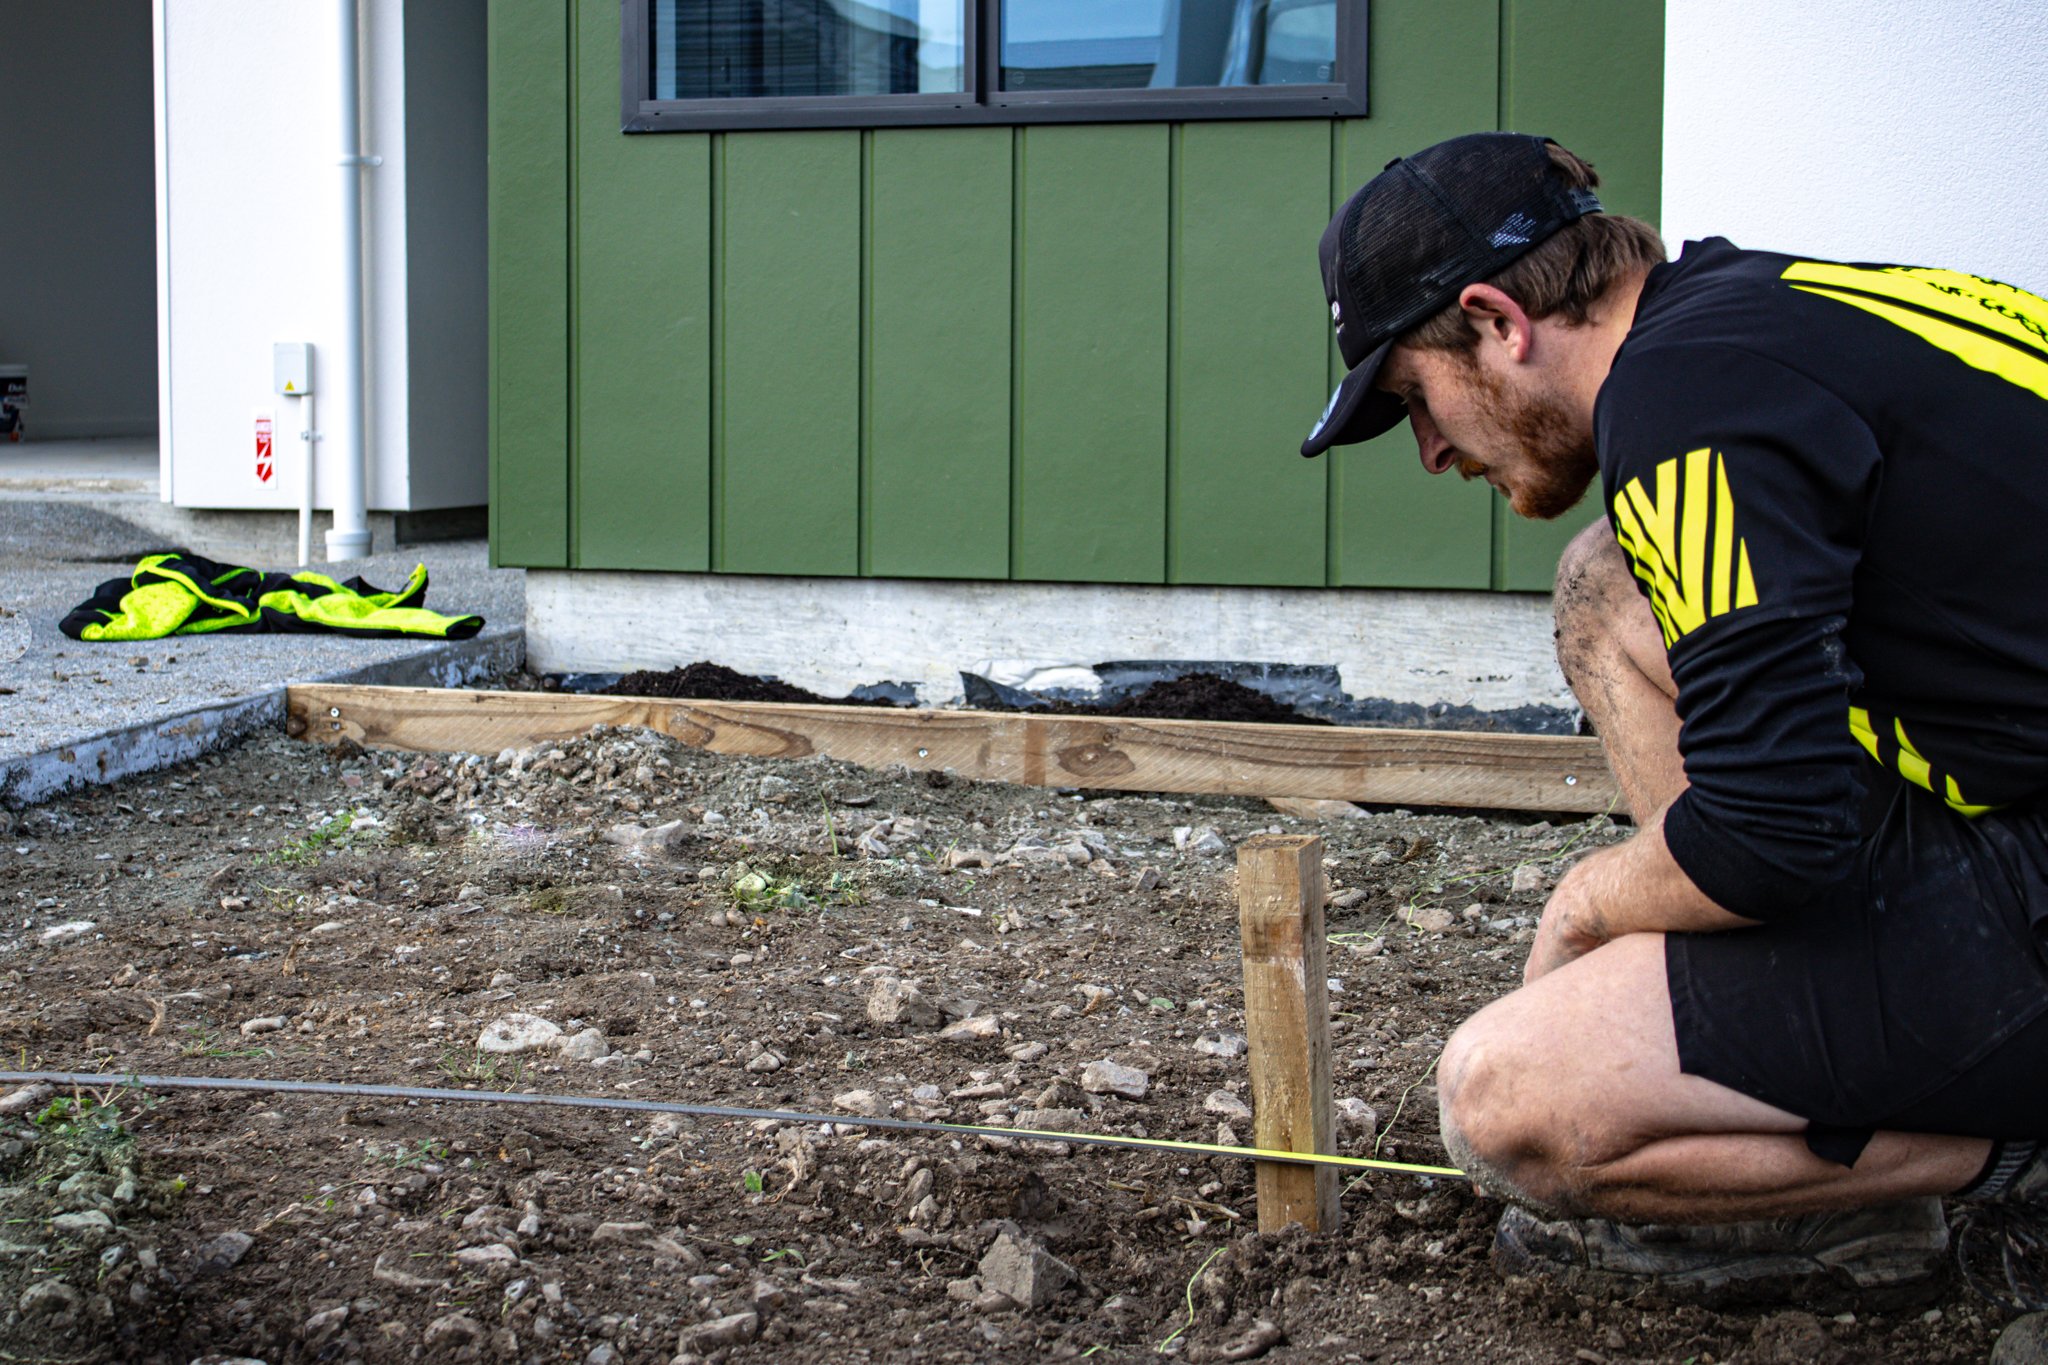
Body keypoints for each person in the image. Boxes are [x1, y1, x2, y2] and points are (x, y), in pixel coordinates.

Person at [1300, 131, 2048, 1304]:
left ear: (1497, 322)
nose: (1431, 451)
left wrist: (1586, 902)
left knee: (1510, 1099)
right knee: (1608, 583)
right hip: (2004, 783)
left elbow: (1772, 831)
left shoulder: (1685, 406)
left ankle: (1957, 1151)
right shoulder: (1767, 312)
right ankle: (1799, 1041)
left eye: (1412, 400)